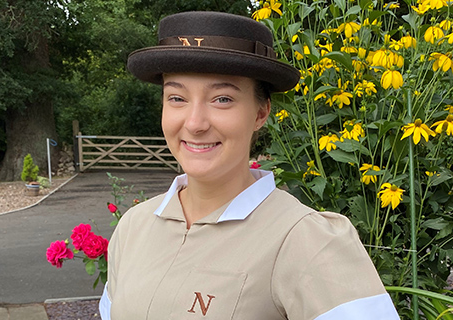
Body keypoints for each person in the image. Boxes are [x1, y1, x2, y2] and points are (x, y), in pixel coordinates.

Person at [99, 11, 400, 319]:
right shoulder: (134, 227)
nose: (195, 123)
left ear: (260, 113)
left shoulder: (304, 239)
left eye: (222, 99)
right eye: (177, 98)